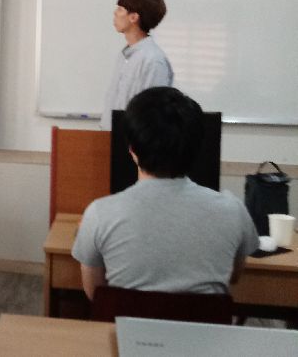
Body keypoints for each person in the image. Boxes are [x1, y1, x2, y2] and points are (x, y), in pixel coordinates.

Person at [74, 86, 258, 300]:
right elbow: (233, 276)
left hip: (126, 323)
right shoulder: (233, 211)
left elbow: (95, 294)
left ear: (132, 150)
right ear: (195, 148)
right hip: (202, 324)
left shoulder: (99, 214)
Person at [100, 0, 173, 130]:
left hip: (132, 141)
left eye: (120, 9)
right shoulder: (125, 56)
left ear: (133, 17)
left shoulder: (153, 60)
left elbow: (151, 116)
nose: (115, 13)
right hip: (110, 137)